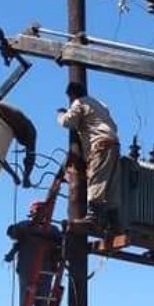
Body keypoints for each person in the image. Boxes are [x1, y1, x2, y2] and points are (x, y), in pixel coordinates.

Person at [56, 82, 120, 226]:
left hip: (100, 144)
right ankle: (114, 222)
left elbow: (68, 122)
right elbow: (113, 125)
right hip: (114, 143)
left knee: (96, 179)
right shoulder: (100, 104)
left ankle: (93, 217)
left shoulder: (79, 102)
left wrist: (61, 114)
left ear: (72, 95)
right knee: (111, 184)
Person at [4, 200, 63, 306]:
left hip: (45, 270)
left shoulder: (52, 230)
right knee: (26, 303)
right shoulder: (25, 226)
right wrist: (15, 231)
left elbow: (62, 243)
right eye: (36, 212)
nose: (38, 215)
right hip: (27, 269)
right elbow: (12, 235)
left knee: (41, 303)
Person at [0, 98, 38, 189]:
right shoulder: (30, 132)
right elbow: (30, 157)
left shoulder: (10, 125)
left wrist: (13, 174)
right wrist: (26, 177)